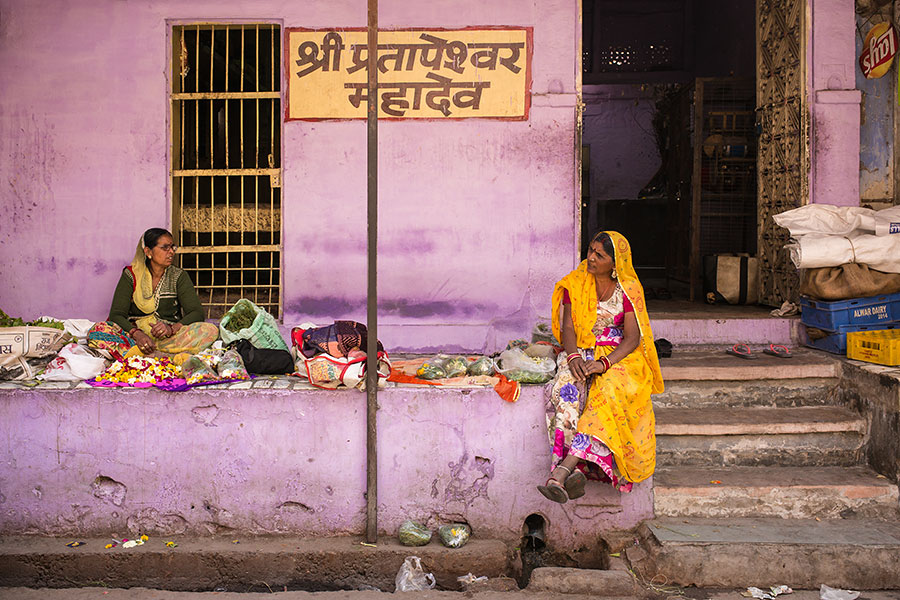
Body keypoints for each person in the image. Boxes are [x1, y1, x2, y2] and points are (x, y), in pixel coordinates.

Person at [538, 231, 664, 503]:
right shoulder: (576, 283)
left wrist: (603, 364)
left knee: (606, 395)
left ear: (615, 263)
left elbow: (632, 338)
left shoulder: (629, 289)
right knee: (566, 393)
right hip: (579, 350)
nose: (591, 257)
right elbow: (569, 327)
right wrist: (574, 359)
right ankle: (574, 471)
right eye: (591, 250)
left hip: (619, 357)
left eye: (600, 255)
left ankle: (562, 472)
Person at [89, 228, 218, 357]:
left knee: (209, 330)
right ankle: (163, 356)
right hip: (136, 339)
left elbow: (196, 313)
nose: (171, 252)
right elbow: (116, 315)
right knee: (97, 331)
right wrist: (137, 334)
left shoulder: (178, 276)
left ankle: (146, 355)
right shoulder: (131, 275)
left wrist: (171, 329)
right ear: (148, 252)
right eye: (165, 248)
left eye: (173, 247)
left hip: (169, 339)